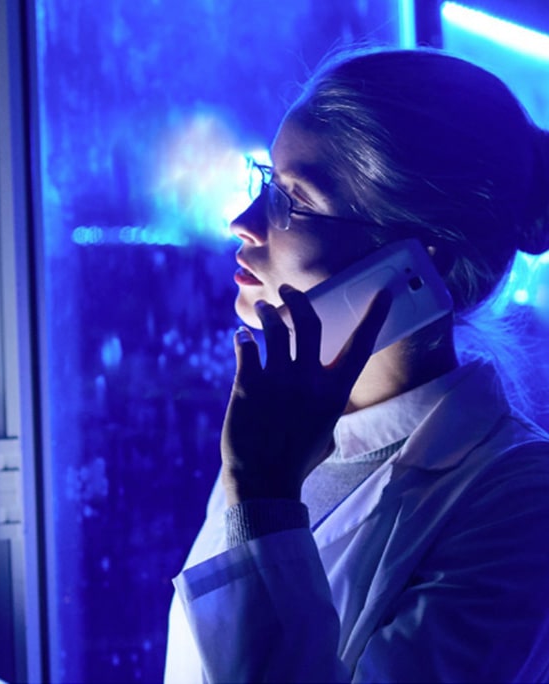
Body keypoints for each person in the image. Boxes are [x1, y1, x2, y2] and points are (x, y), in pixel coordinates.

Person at [164, 46, 549, 682]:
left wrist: (263, 497)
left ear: (427, 262)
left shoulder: (521, 507)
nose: (243, 222)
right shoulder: (287, 433)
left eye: (294, 200)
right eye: (266, 182)